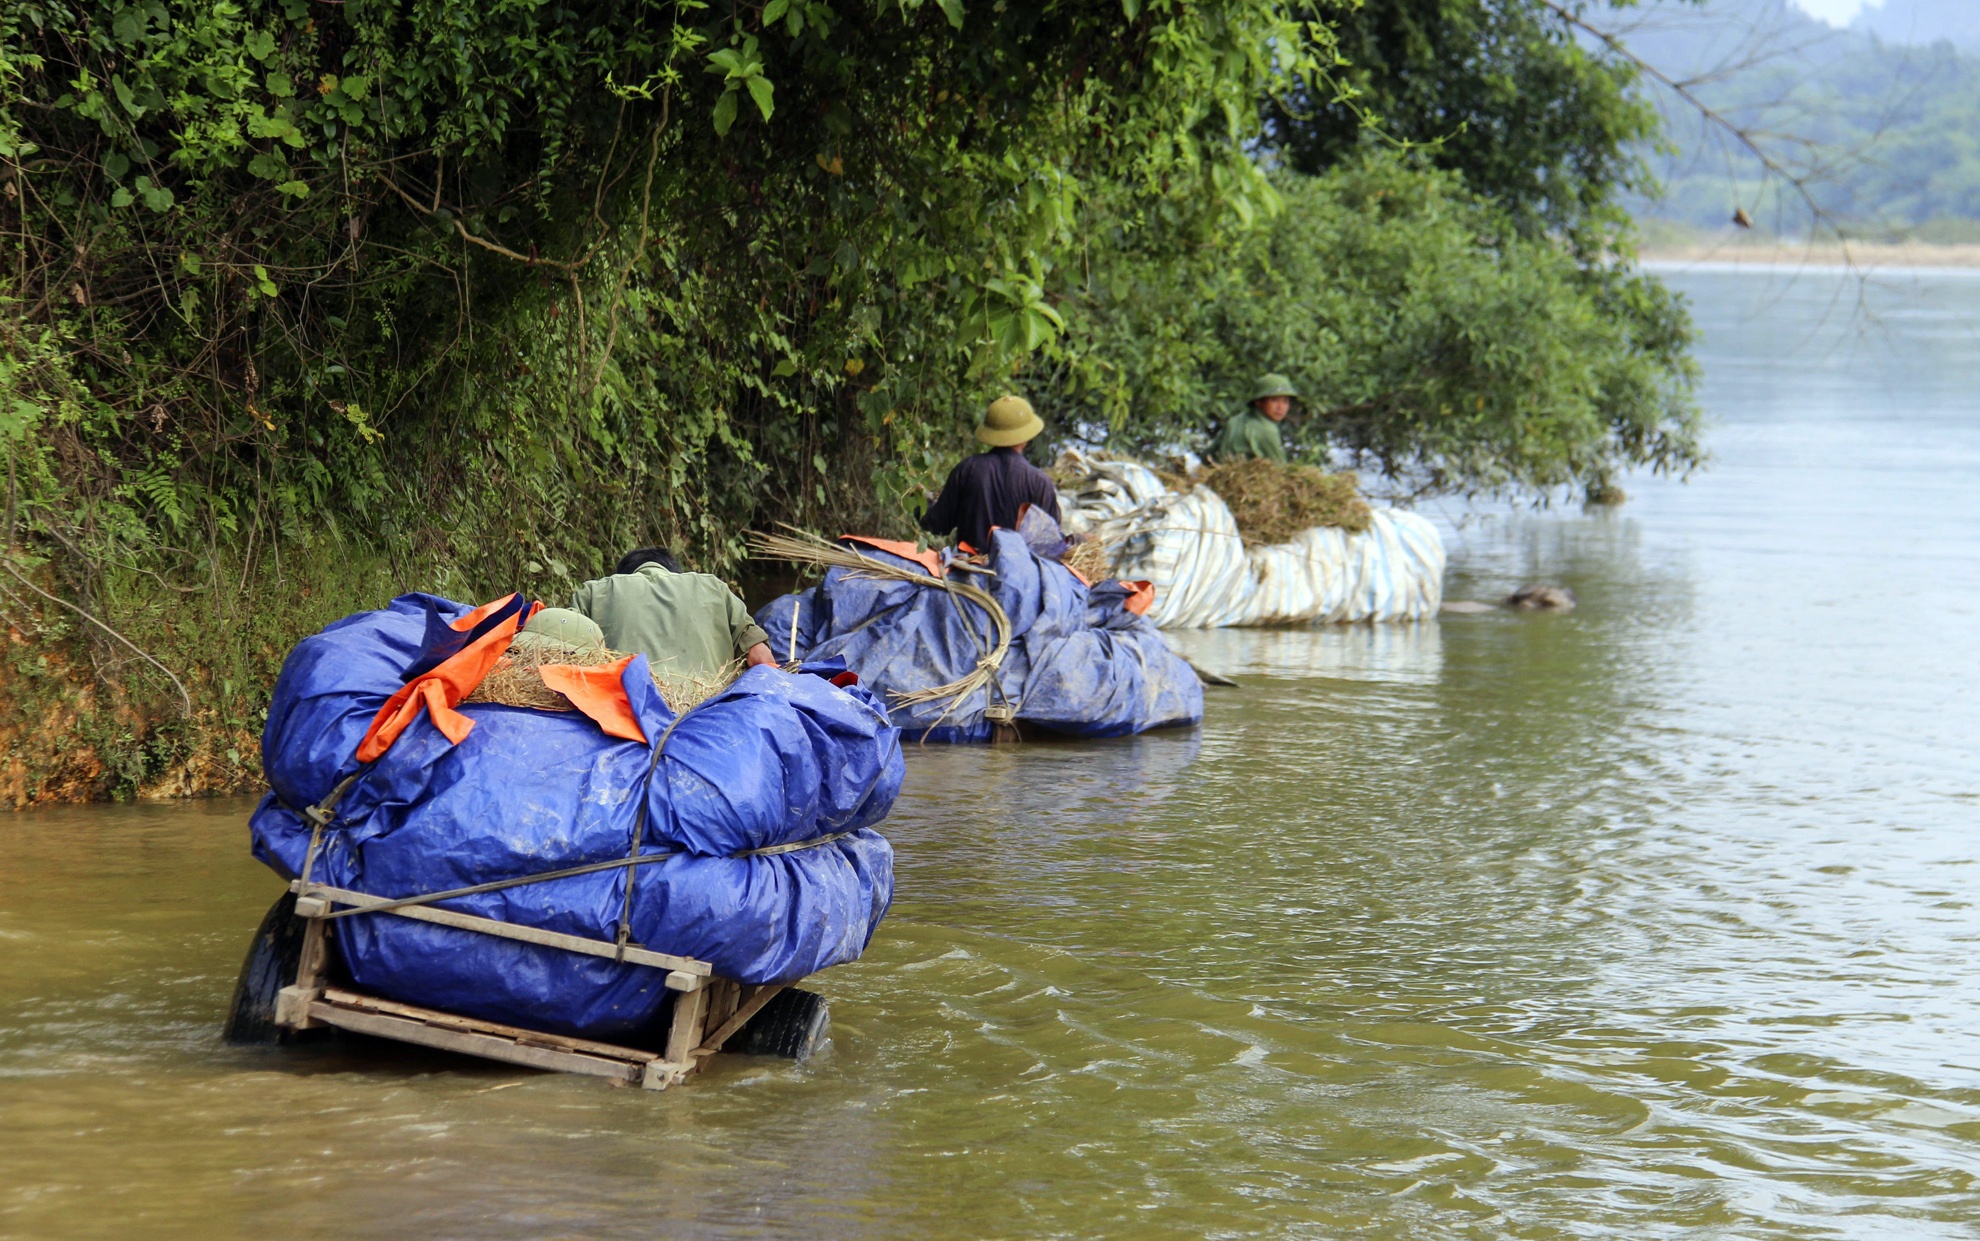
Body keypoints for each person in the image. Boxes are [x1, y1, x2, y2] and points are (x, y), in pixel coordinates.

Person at [570, 547, 777, 676]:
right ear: (676, 573)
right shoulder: (714, 588)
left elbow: (561, 653)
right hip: (707, 714)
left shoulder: (594, 592)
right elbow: (760, 658)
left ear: (624, 576)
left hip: (626, 714)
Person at [920, 395, 1063, 551]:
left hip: (969, 568)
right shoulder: (1039, 483)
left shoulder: (967, 469)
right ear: (1025, 438)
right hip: (1018, 573)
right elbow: (1051, 542)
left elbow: (938, 524)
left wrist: (920, 500)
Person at [1209, 373, 1298, 463]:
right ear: (1258, 402)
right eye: (1274, 400)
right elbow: (1279, 468)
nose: (1281, 407)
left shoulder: (1235, 420)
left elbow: (1208, 455)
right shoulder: (1267, 430)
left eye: (1285, 401)